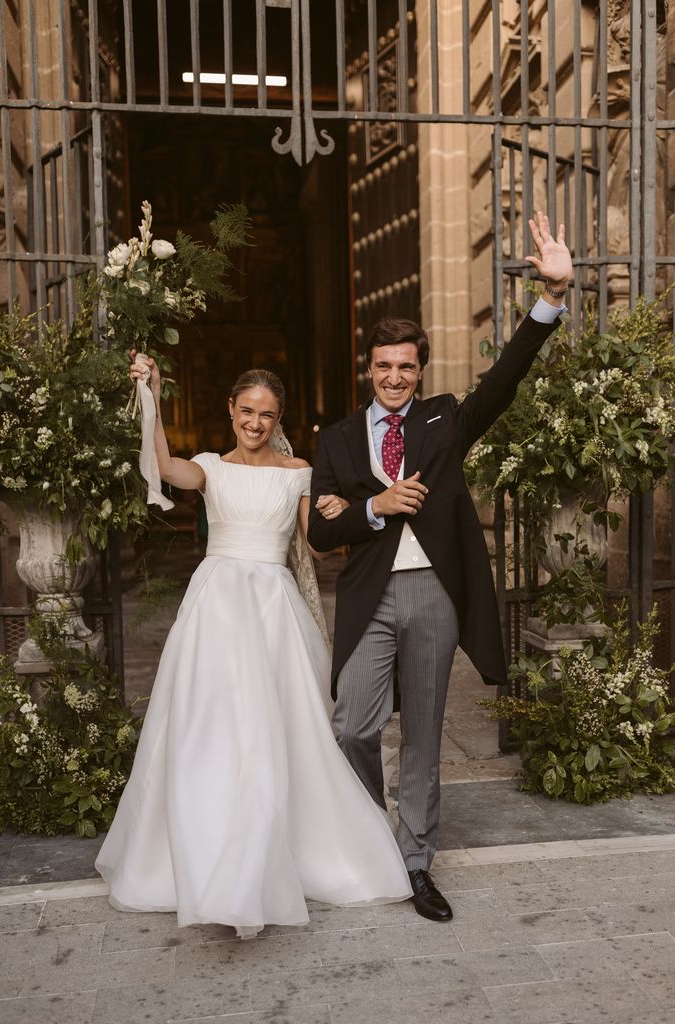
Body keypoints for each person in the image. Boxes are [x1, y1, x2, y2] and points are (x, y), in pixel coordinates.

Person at [308, 211, 573, 923]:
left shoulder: (444, 421)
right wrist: (377, 506)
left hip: (433, 595)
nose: (394, 378)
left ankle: (414, 861)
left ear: (419, 373)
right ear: (367, 369)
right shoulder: (334, 440)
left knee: (423, 735)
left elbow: (505, 381)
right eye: (382, 366)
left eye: (406, 368)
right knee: (352, 727)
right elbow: (315, 527)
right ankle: (367, 837)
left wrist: (548, 299)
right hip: (368, 596)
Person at [96, 364, 411, 938]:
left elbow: (314, 546)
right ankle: (209, 852)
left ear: (278, 419)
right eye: (247, 411)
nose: (256, 423)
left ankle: (270, 855)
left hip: (274, 610)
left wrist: (346, 511)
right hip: (216, 608)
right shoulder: (211, 469)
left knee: (279, 729)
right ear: (231, 412)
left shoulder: (300, 473)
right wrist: (153, 400)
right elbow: (165, 468)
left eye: (267, 414)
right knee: (209, 728)